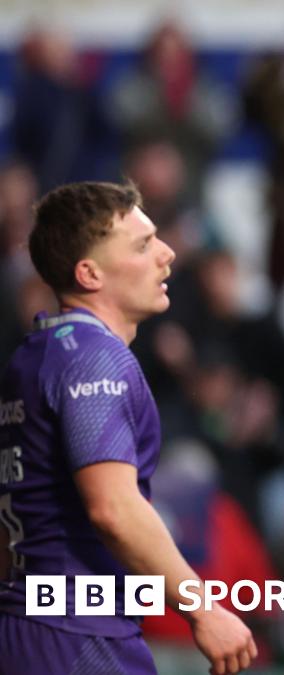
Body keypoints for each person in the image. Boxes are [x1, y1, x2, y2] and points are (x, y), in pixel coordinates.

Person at [0, 182, 256, 673]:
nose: (167, 254)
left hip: (27, 622)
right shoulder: (95, 360)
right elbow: (113, 508)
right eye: (142, 245)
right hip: (77, 635)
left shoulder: (33, 355)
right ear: (89, 273)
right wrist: (203, 609)